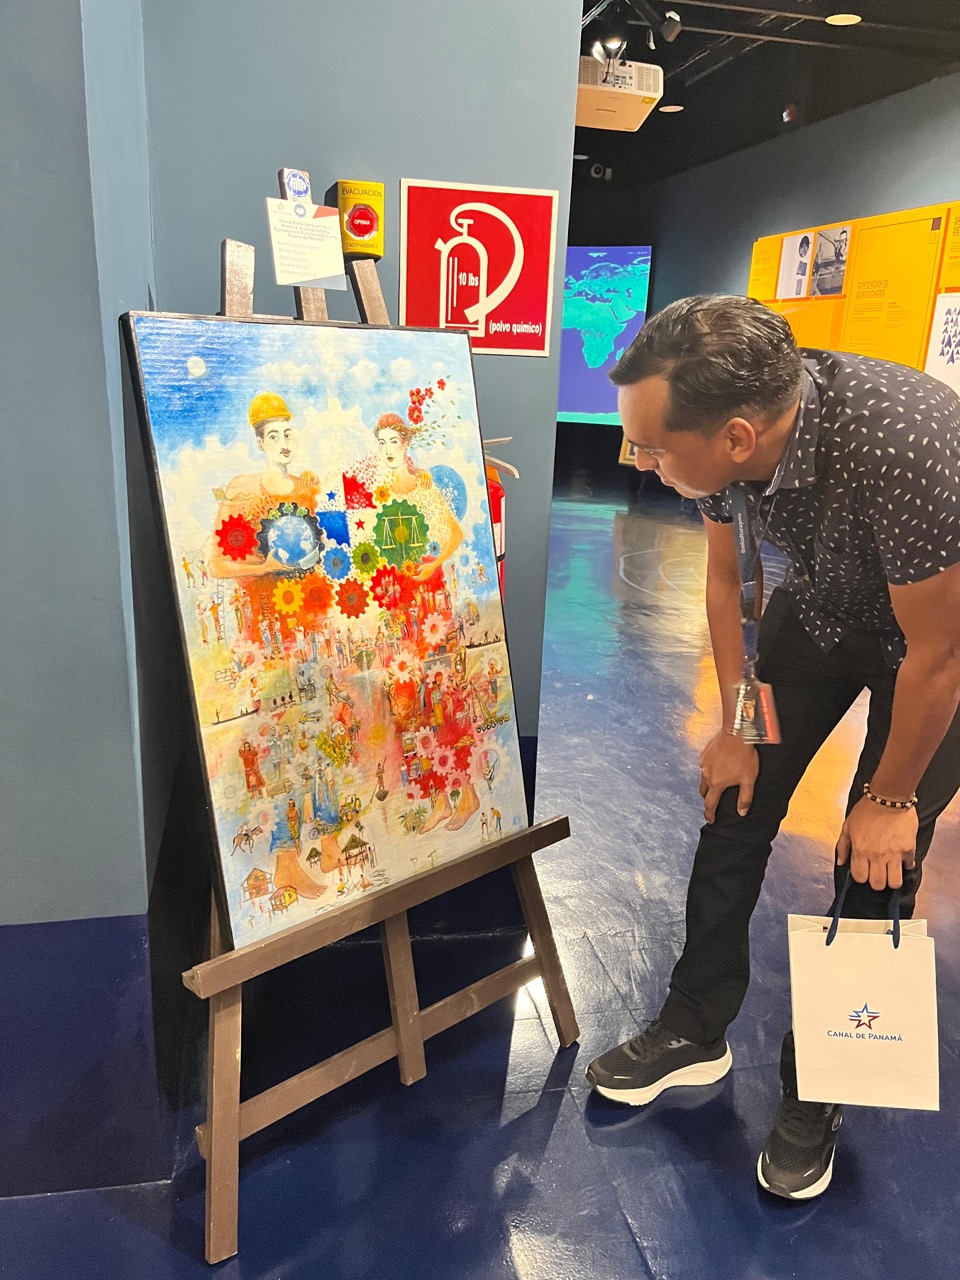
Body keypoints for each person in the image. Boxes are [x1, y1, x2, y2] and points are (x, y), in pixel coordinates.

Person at [587, 295, 960, 1202]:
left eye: (653, 448)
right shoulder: (725, 439)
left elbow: (939, 655)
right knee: (735, 800)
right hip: (825, 612)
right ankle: (694, 1025)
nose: (641, 461)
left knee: (876, 861)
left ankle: (820, 1084)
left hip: (938, 644)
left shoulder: (909, 446)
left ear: (737, 439)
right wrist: (738, 729)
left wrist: (890, 799)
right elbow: (729, 580)